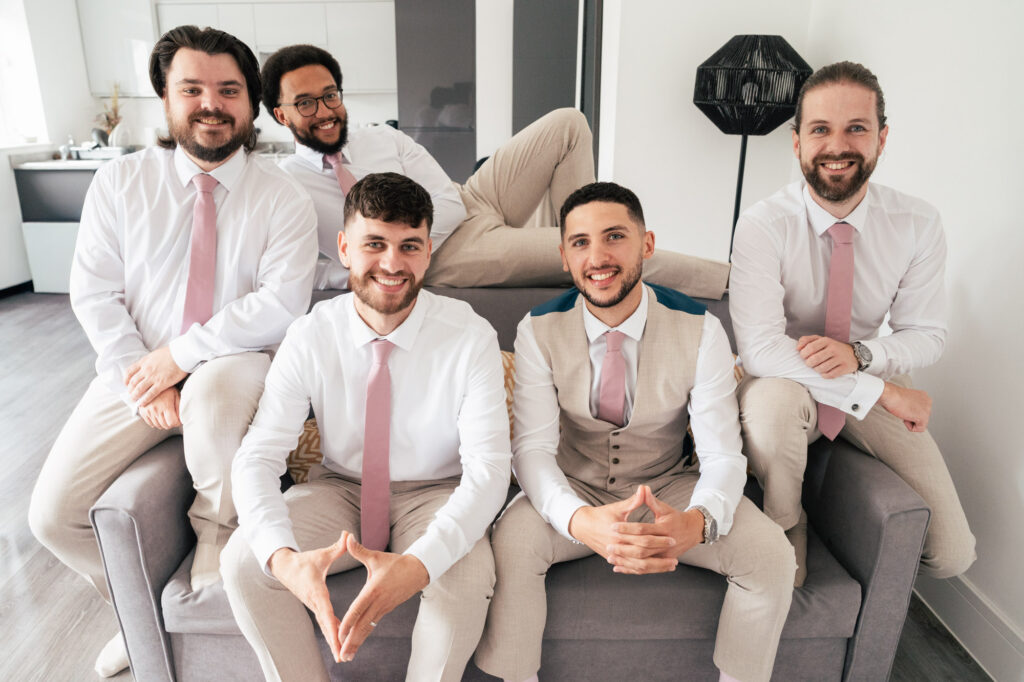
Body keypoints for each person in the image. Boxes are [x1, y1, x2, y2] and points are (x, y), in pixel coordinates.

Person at [27, 25, 318, 677]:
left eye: (229, 90)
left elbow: (280, 303)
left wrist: (180, 357)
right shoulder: (120, 182)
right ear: (165, 97)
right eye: (192, 89)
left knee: (213, 390)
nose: (210, 104)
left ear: (251, 102)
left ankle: (216, 550)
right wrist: (144, 375)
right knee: (52, 516)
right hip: (137, 365)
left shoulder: (283, 196)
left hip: (238, 362)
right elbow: (94, 294)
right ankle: (142, 619)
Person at [474, 182, 795, 682]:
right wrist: (578, 520)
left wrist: (699, 522)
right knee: (513, 541)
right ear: (564, 257)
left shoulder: (702, 328)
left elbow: (722, 455)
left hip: (670, 484)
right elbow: (532, 449)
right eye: (580, 242)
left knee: (771, 554)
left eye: (614, 236)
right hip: (575, 484)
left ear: (647, 244)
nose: (597, 257)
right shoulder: (536, 329)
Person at [221, 172, 512, 682]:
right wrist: (284, 560)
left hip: (435, 491)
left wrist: (420, 564)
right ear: (344, 248)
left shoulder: (470, 336)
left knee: (465, 576)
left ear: (428, 252)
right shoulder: (309, 335)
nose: (392, 264)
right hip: (340, 488)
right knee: (246, 559)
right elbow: (259, 454)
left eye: (409, 246)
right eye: (374, 244)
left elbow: (488, 470)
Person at [729, 61, 976, 586]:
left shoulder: (918, 223)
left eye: (856, 128)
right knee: (773, 404)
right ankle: (785, 523)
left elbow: (927, 333)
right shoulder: (762, 225)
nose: (837, 146)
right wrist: (881, 392)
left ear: (882, 139)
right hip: (783, 376)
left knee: (952, 555)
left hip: (864, 365)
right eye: (820, 129)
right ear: (797, 141)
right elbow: (761, 350)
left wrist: (864, 356)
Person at [260, 44, 730, 296]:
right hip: (446, 254)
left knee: (568, 123)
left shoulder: (380, 136)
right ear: (281, 114)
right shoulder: (285, 185)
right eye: (306, 103)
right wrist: (389, 259)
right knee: (601, 249)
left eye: (330, 95)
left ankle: (574, 237)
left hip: (469, 201)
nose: (325, 111)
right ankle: (731, 281)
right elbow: (301, 270)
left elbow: (447, 201)